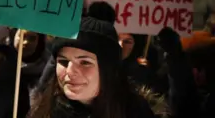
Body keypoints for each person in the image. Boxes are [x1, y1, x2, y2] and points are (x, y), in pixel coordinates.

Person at [29, 17, 166, 118]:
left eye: (85, 62)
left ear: (108, 69)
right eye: (63, 61)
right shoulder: (45, 111)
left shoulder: (136, 112)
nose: (69, 72)